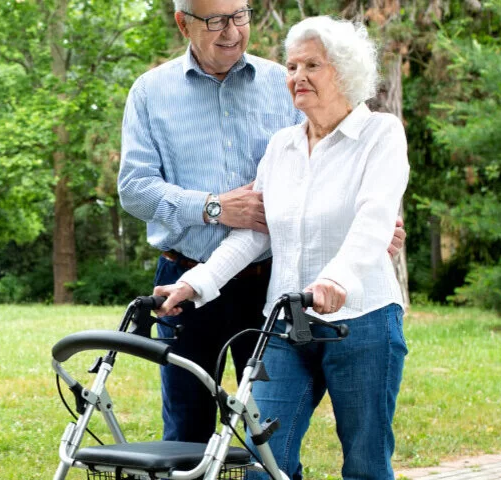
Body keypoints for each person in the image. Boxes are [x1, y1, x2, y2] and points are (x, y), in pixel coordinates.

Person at [117, 0, 405, 447]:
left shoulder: (316, 101)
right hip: (213, 283)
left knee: (311, 448)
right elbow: (140, 189)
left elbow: (353, 202)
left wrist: (359, 244)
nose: (231, 30)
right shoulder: (155, 93)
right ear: (183, 23)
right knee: (213, 440)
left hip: (299, 293)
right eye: (215, 20)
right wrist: (207, 227)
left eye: (240, 16)